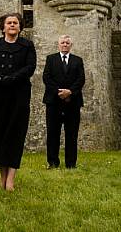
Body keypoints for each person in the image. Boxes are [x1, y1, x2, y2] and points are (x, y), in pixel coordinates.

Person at [0, 13, 36, 191]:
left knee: (14, 134)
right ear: (3, 27)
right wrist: (1, 78)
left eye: (15, 23)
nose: (12, 25)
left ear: (20, 27)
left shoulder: (27, 46)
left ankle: (11, 179)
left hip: (19, 94)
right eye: (9, 23)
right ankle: (2, 177)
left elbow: (30, 67)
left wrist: (13, 78)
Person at [42, 34, 85, 169]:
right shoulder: (51, 59)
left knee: (72, 134)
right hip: (53, 102)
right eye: (62, 43)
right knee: (53, 133)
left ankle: (71, 164)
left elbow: (81, 79)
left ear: (71, 45)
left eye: (67, 43)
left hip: (73, 102)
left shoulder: (78, 60)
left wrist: (69, 92)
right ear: (58, 44)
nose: (65, 45)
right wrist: (59, 92)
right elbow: (46, 78)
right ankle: (53, 163)